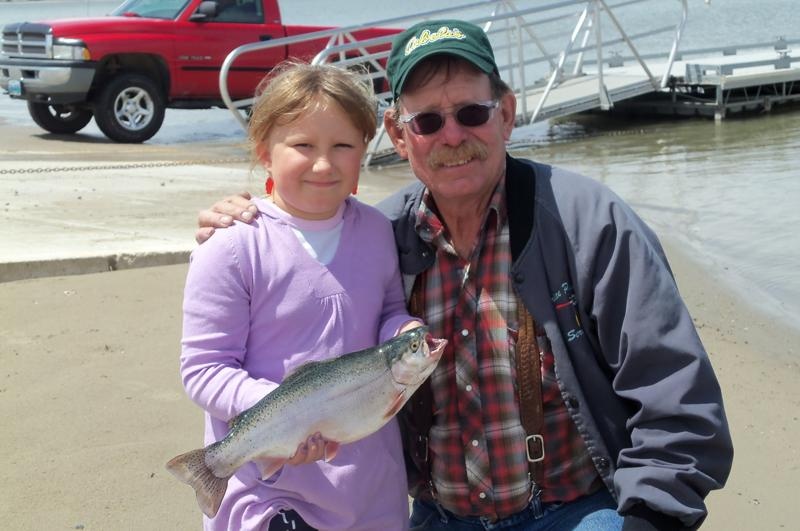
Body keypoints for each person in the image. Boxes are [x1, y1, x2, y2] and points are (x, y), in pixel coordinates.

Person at [196, 20, 733, 530]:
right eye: (428, 121)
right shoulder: (380, 238)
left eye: (472, 113)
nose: (452, 136)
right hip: (437, 515)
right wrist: (244, 217)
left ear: (506, 114)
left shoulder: (590, 224)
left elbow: (676, 399)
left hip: (577, 509)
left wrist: (651, 517)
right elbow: (301, 310)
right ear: (398, 135)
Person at [180, 61, 421, 531]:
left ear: (363, 153)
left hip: (371, 489)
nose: (324, 163)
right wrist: (287, 413)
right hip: (269, 495)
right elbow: (203, 369)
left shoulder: (376, 230)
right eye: (303, 145)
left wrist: (404, 333)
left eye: (343, 146)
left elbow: (388, 310)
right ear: (264, 152)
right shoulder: (233, 244)